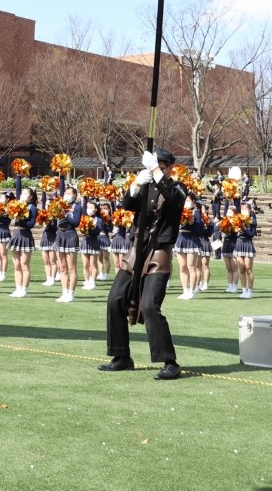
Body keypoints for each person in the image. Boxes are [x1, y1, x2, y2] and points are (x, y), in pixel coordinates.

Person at [100, 148, 185, 381]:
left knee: (149, 306)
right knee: (115, 299)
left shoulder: (177, 187)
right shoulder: (147, 185)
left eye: (160, 167)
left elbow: (174, 199)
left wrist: (156, 171)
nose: (155, 170)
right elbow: (128, 204)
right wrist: (136, 184)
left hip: (159, 252)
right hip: (136, 250)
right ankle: (121, 356)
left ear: (169, 168)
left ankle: (170, 362)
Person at [8, 175, 37, 298]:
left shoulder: (32, 207)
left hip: (25, 235)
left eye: (26, 194)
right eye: (22, 193)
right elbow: (18, 188)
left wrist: (20, 219)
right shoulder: (17, 204)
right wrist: (18, 174)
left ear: (30, 197)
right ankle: (18, 288)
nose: (22, 195)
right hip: (16, 234)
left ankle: (24, 289)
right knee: (16, 265)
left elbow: (31, 224)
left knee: (24, 264)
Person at [55, 185, 81, 303]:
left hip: (70, 235)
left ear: (74, 195)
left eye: (69, 193)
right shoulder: (60, 204)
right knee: (62, 267)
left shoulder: (77, 206)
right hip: (60, 235)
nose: (66, 195)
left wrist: (65, 214)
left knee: (72, 268)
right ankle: (64, 292)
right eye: (65, 193)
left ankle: (71, 293)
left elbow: (75, 222)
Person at [234, 202, 257, 297]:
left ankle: (250, 291)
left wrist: (245, 227)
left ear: (249, 210)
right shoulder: (238, 219)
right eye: (242, 209)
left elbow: (252, 234)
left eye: (245, 209)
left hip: (247, 244)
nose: (243, 210)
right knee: (241, 269)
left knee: (248, 269)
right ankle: (244, 290)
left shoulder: (252, 220)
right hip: (239, 243)